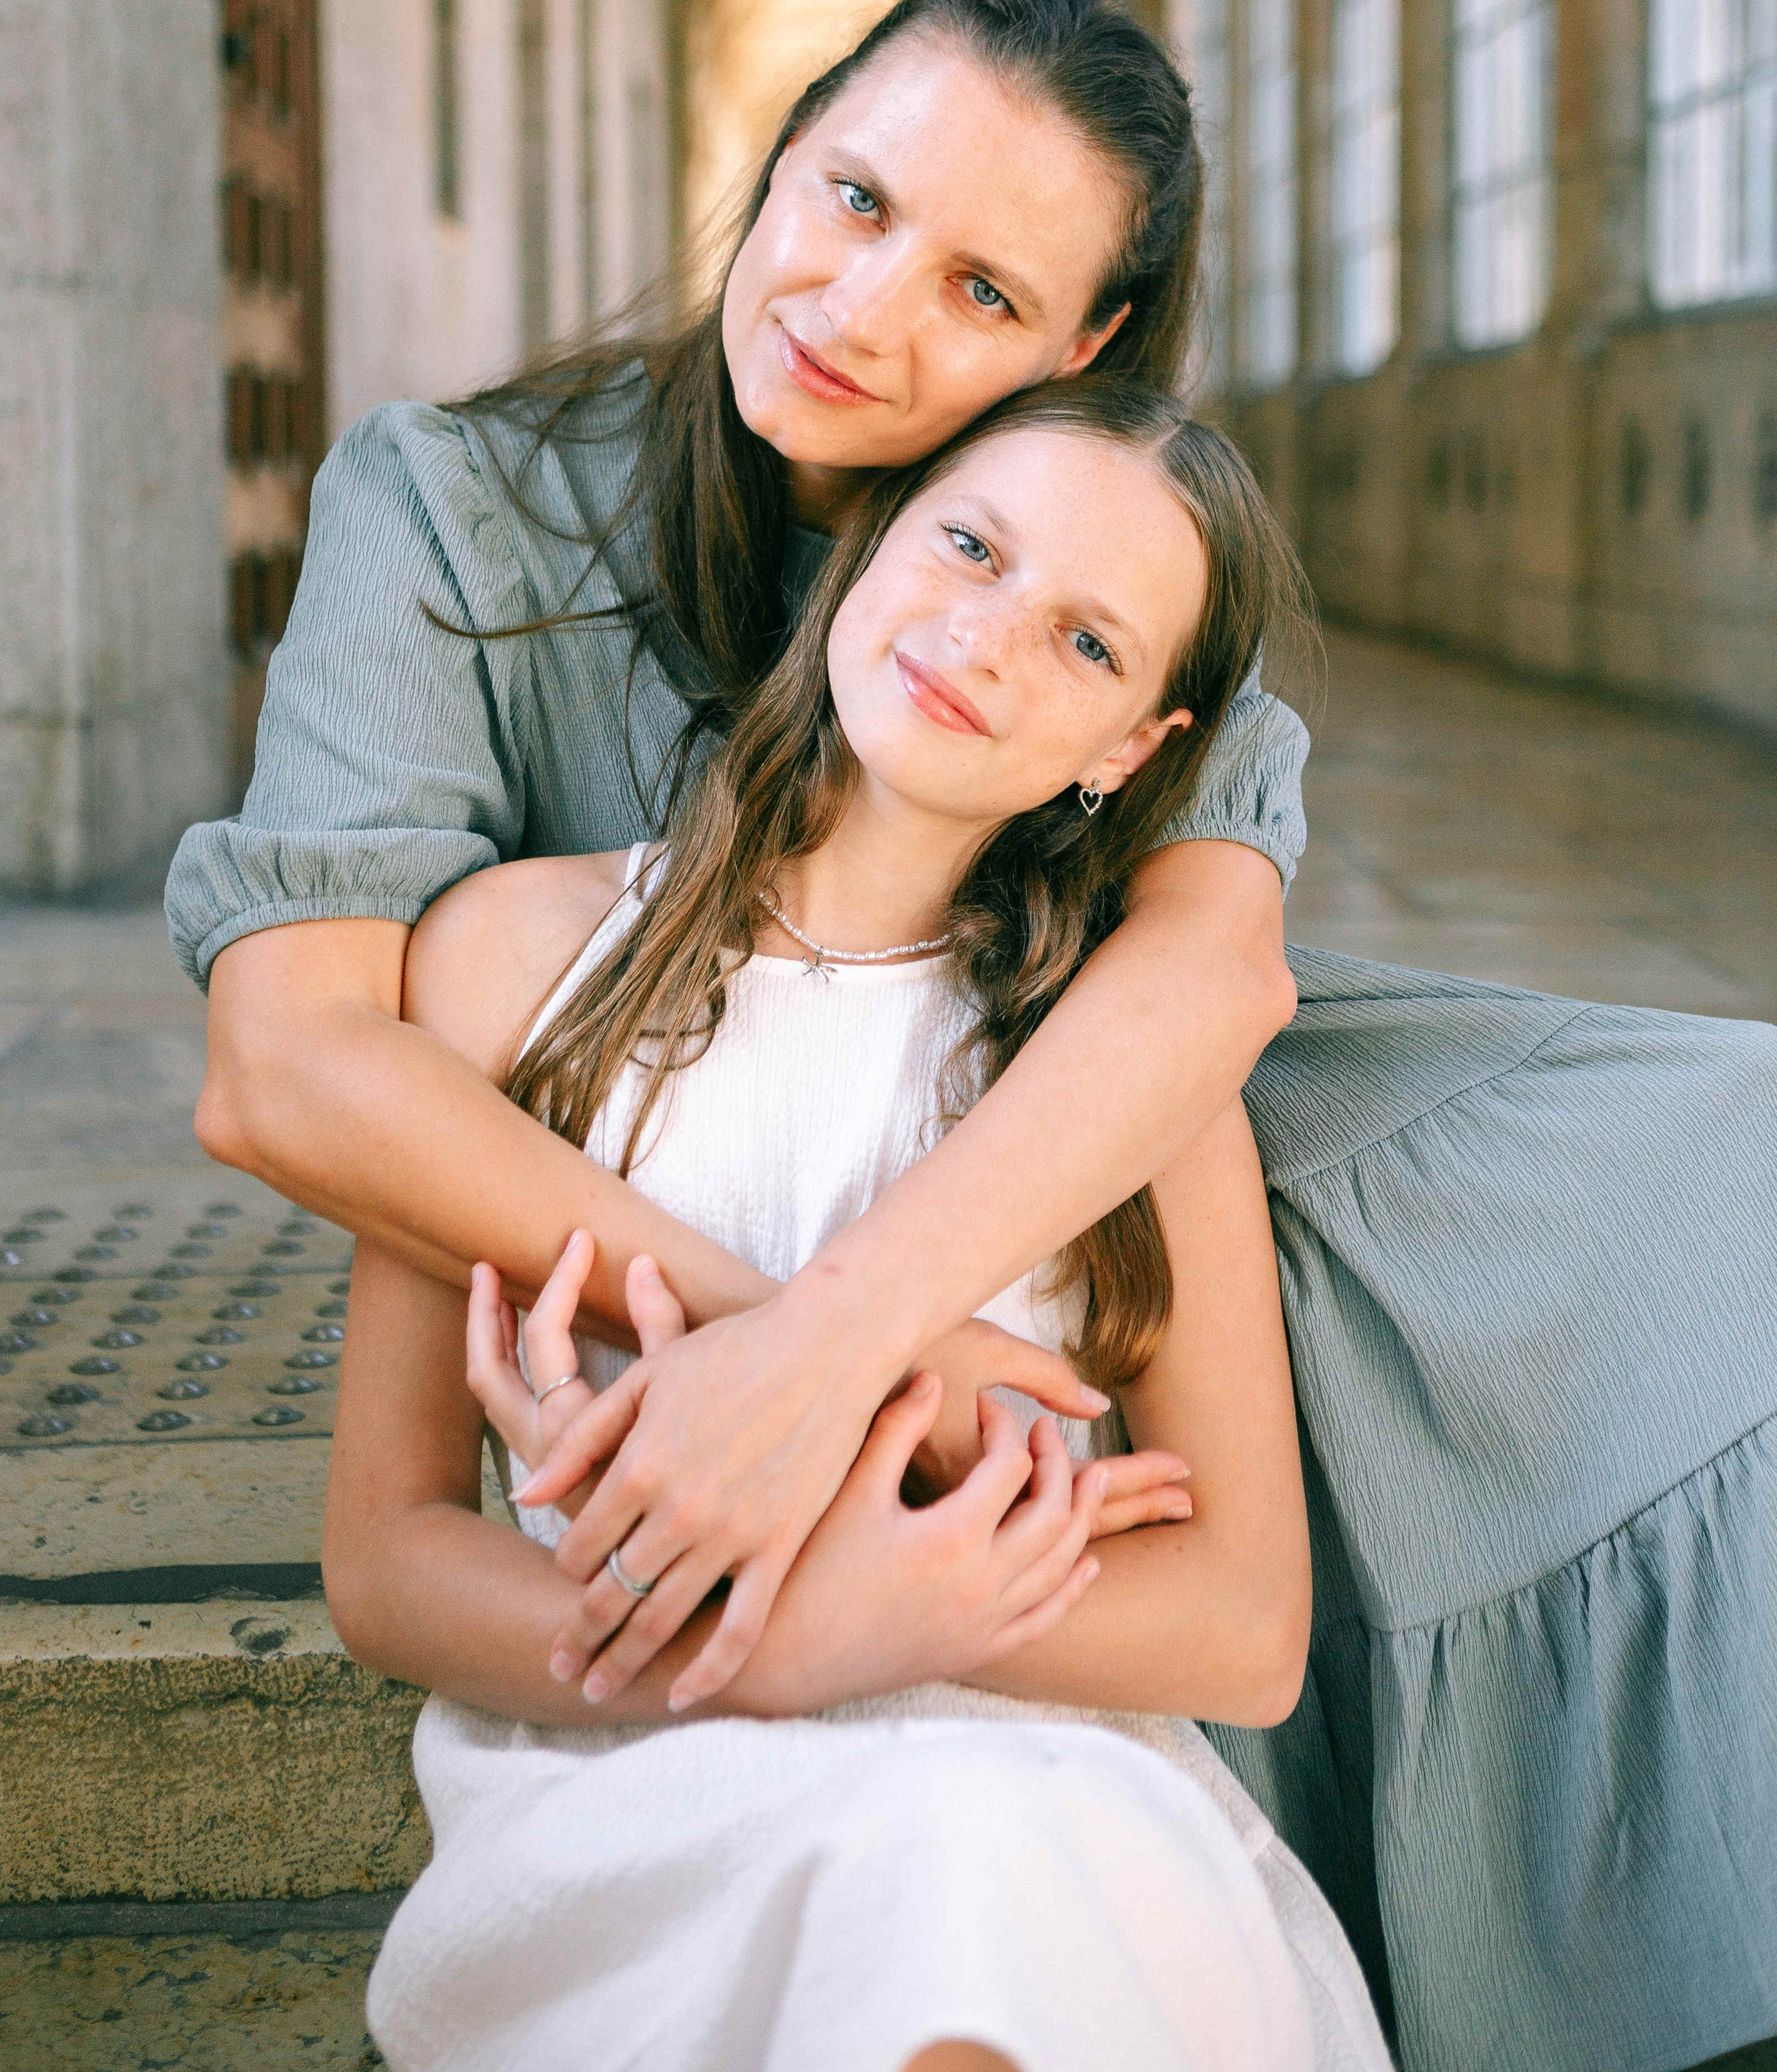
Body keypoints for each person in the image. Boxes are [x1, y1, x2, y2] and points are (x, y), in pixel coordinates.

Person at [169, 0, 1777, 2072]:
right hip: (610, 1113)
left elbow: (1199, 982)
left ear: (1084, 344)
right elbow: (292, 1068)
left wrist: (842, 1347)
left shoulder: (1096, 541)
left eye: (979, 291)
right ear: (784, 144)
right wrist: (804, 1351)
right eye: (854, 198)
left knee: (1741, 1144)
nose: (861, 312)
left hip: (1059, 1078)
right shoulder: (450, 515)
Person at [323, 381, 1391, 2072]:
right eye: (968, 547)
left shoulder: (1122, 1068)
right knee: (922, 1884)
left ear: (1130, 748)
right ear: (872, 542)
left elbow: (1246, 1629)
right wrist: (790, 1644)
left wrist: (908, 1619)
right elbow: (386, 1555)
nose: (985, 639)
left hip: (1050, 1784)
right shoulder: (508, 959)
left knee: (963, 1873)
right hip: (632, 1753)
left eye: (1087, 644)